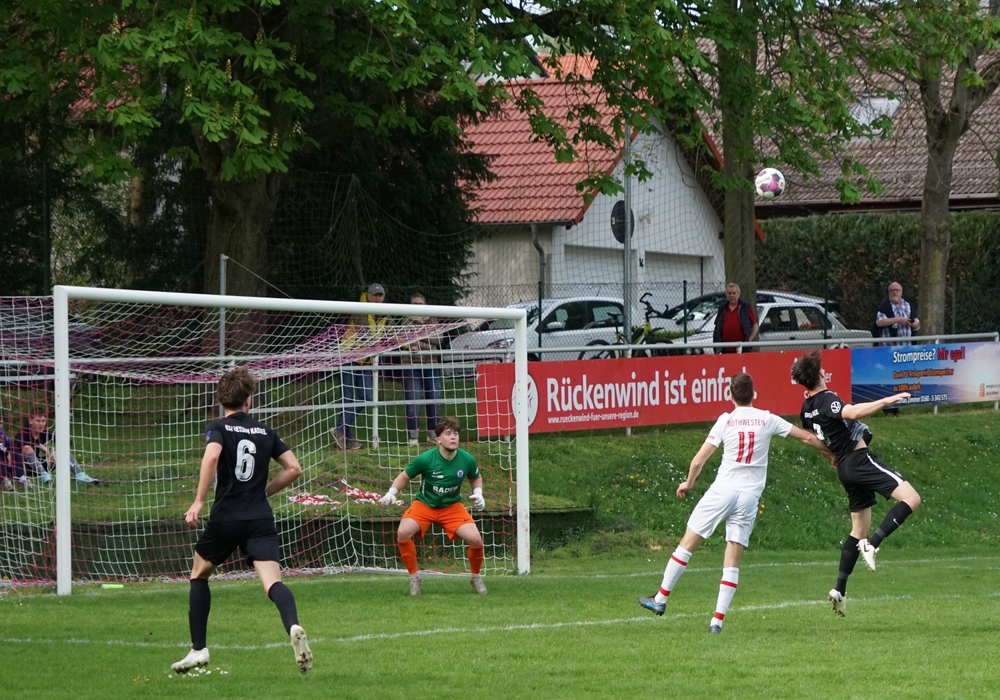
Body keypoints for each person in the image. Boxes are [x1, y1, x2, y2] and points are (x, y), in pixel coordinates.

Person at [637, 372, 831, 632]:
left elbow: (698, 460)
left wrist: (689, 482)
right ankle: (717, 621)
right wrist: (832, 453)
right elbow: (807, 437)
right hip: (749, 496)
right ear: (753, 394)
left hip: (723, 489)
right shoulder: (767, 418)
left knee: (688, 543)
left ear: (730, 395)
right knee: (733, 557)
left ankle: (661, 599)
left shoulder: (726, 420)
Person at [172, 367, 313, 675]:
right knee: (273, 582)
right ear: (249, 400)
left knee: (199, 574)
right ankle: (293, 626)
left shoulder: (219, 427)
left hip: (226, 517)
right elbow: (294, 468)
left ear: (221, 399)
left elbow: (211, 457)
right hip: (259, 517)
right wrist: (264, 491)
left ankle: (198, 649)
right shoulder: (265, 432)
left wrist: (198, 501)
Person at [791, 349, 921, 618]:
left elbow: (811, 438)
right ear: (820, 374)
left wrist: (830, 454)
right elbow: (852, 412)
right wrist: (886, 400)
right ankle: (873, 544)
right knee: (912, 499)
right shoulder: (827, 399)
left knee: (858, 529)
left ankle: (839, 590)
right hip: (859, 460)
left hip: (845, 468)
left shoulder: (806, 409)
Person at [379, 417, 488, 596]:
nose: (453, 437)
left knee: (476, 539)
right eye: (448, 433)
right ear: (438, 439)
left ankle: (475, 577)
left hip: (452, 506)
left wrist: (479, 493)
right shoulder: (426, 459)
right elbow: (405, 476)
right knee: (403, 533)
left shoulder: (467, 459)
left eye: (456, 433)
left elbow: (475, 477)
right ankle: (415, 577)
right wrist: (391, 493)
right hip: (425, 504)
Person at [331, 282, 387, 450]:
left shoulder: (384, 314)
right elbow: (365, 333)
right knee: (347, 399)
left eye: (380, 295)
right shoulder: (360, 309)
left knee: (367, 396)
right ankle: (346, 437)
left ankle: (340, 429)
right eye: (375, 295)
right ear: (368, 295)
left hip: (366, 360)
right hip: (349, 356)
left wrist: (403, 344)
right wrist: (377, 347)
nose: (378, 298)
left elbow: (388, 334)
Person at [13, 407, 98, 485]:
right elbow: (14, 448)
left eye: (43, 421)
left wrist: (50, 450)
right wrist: (39, 446)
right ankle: (43, 475)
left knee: (61, 451)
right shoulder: (24, 431)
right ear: (30, 421)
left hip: (41, 465)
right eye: (38, 421)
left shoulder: (44, 433)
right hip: (24, 467)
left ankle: (80, 475)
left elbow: (68, 442)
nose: (41, 424)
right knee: (27, 448)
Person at [401, 293, 443, 447]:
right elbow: (404, 338)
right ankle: (413, 438)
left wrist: (418, 337)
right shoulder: (405, 320)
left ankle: (433, 434)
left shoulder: (433, 319)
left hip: (431, 364)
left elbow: (439, 338)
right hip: (411, 365)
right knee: (413, 400)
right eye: (415, 304)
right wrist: (427, 337)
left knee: (434, 399)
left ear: (425, 305)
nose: (418, 306)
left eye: (420, 304)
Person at [875, 282, 920, 416]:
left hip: (905, 350)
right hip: (889, 350)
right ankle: (887, 408)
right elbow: (879, 322)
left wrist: (911, 323)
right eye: (892, 290)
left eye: (897, 290)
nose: (895, 292)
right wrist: (897, 320)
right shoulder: (884, 306)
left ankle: (897, 406)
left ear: (901, 291)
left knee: (900, 379)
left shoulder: (908, 305)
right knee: (888, 378)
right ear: (889, 292)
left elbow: (917, 325)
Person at [712, 283, 759, 353]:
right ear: (726, 295)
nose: (732, 295)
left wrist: (749, 340)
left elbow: (755, 325)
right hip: (725, 349)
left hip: (742, 348)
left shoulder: (745, 307)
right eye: (729, 293)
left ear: (739, 294)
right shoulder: (722, 308)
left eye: (734, 293)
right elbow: (717, 326)